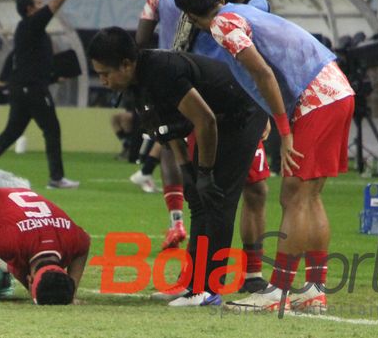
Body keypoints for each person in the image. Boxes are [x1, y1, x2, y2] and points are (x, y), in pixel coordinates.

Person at [174, 0, 355, 312]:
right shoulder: (243, 11)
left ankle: (279, 291)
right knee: (310, 196)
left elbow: (262, 73)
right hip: (335, 87)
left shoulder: (221, 25)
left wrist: (284, 130)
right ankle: (314, 288)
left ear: (189, 14)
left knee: (294, 196)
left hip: (314, 98)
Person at [88, 27, 268, 307]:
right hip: (215, 121)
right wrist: (188, 172)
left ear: (126, 64)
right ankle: (193, 283)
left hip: (241, 114)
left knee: (217, 199)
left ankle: (207, 290)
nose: (103, 81)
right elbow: (166, 130)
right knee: (197, 200)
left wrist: (206, 172)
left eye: (105, 73)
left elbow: (205, 120)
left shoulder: (161, 72)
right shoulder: (136, 83)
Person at [135, 0, 216, 252]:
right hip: (211, 79)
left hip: (168, 77)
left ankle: (176, 222)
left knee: (170, 145)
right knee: (212, 145)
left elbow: (141, 37)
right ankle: (209, 219)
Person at [0, 0, 89, 189]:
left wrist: (52, 76)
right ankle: (56, 178)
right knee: (51, 129)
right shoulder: (33, 23)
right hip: (32, 89)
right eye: (38, 3)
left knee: (11, 132)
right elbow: (57, 2)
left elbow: (33, 61)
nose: (43, 6)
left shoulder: (27, 28)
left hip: (24, 87)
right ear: (29, 9)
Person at [212, 0, 272, 293]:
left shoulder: (263, 6)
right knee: (209, 195)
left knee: (257, 190)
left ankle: (251, 274)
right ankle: (205, 275)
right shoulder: (207, 3)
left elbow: (266, 60)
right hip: (207, 110)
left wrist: (265, 110)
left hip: (247, 109)